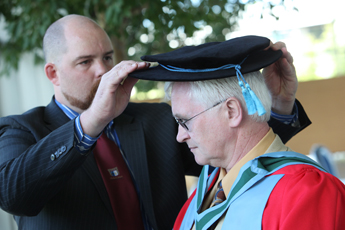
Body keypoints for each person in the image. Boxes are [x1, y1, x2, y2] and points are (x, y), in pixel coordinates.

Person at [0, 14, 310, 230]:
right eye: (85, 62)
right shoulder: (21, 129)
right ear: (53, 73)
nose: (102, 70)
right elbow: (14, 195)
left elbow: (242, 147)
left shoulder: (159, 119)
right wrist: (92, 121)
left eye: (107, 58)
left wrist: (280, 105)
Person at [130, 35, 345, 230]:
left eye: (184, 121)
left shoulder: (306, 193)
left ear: (231, 111)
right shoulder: (208, 188)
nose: (180, 135)